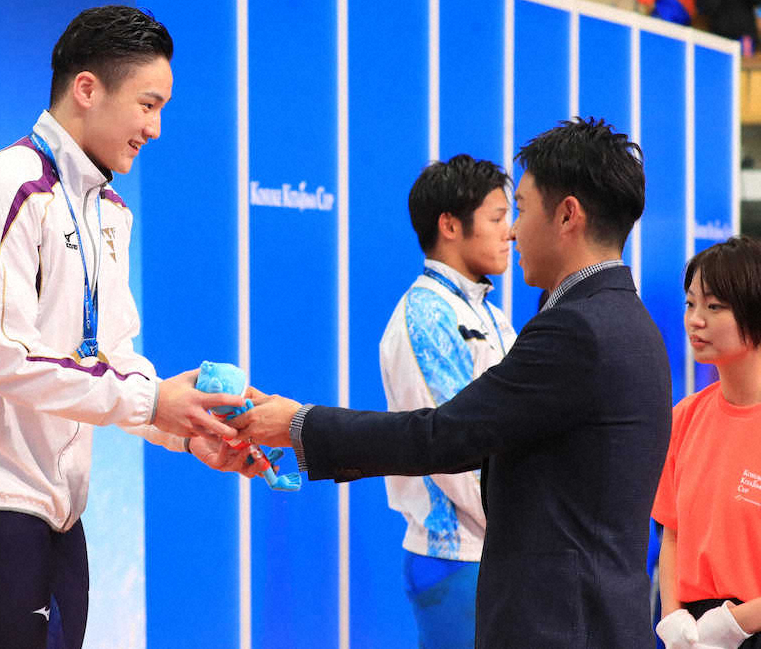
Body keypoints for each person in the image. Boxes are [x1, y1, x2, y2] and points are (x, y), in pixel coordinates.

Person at [231, 117, 673, 647]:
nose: (512, 231)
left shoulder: (576, 327)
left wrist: (299, 424)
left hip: (557, 620)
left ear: (567, 215)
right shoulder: (623, 320)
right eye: (500, 216)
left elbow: (443, 435)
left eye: (519, 211)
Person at [0, 6, 259, 649]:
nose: (155, 128)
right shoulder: (3, 188)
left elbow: (112, 360)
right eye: (147, 105)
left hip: (59, 506)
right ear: (87, 89)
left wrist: (185, 430)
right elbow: (4, 358)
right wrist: (152, 401)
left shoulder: (109, 210)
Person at [380, 155, 515, 648]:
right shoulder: (424, 317)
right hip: (455, 556)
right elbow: (450, 451)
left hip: (493, 550)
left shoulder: (490, 315)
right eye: (497, 218)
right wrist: (522, 526)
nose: (511, 232)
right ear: (450, 226)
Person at [652, 237, 761, 649]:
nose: (695, 320)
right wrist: (672, 616)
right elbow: (673, 531)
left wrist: (736, 623)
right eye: (690, 304)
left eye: (714, 307)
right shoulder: (685, 417)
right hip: (695, 632)